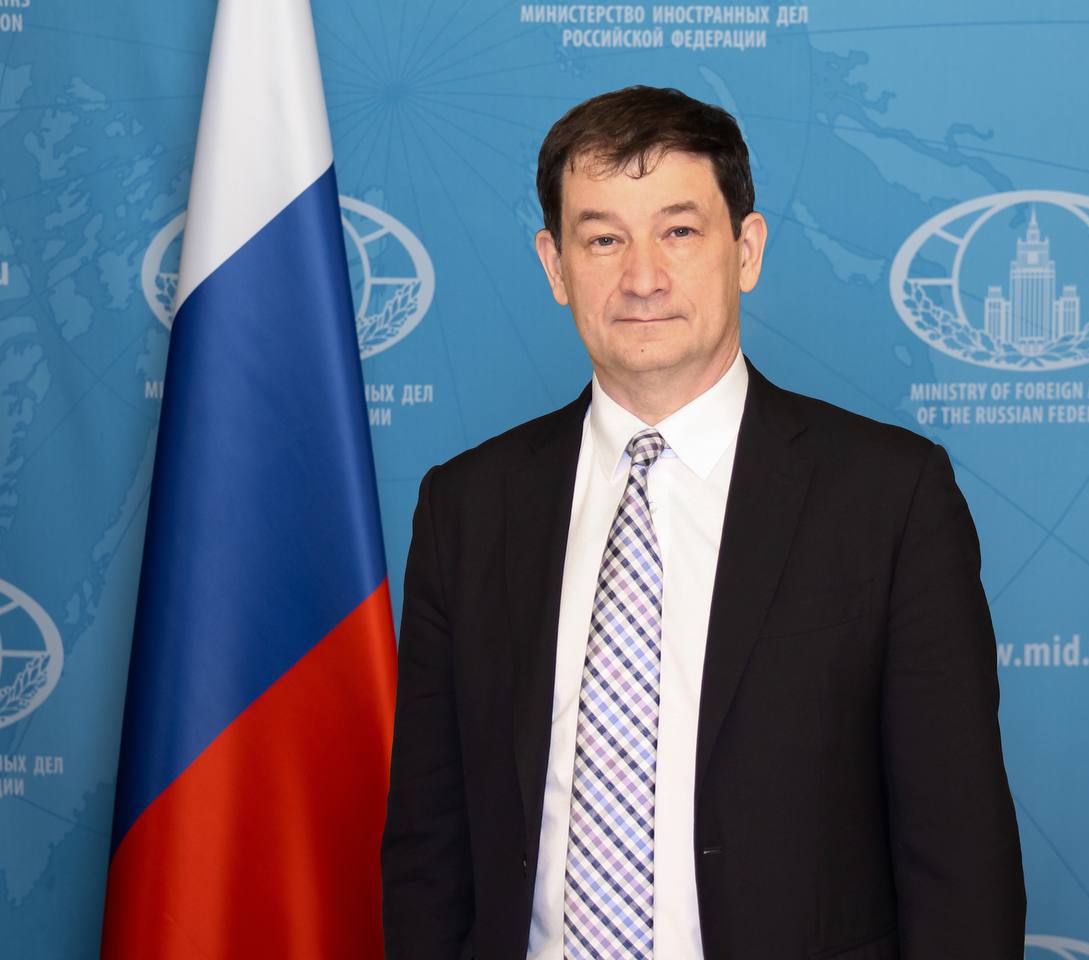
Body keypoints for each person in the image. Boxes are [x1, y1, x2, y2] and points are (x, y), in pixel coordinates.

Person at [382, 85, 1025, 960]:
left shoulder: (889, 498)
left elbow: (960, 857)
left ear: (745, 250)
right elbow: (428, 848)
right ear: (555, 265)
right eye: (603, 239)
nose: (642, 277)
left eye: (679, 232)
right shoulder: (465, 508)